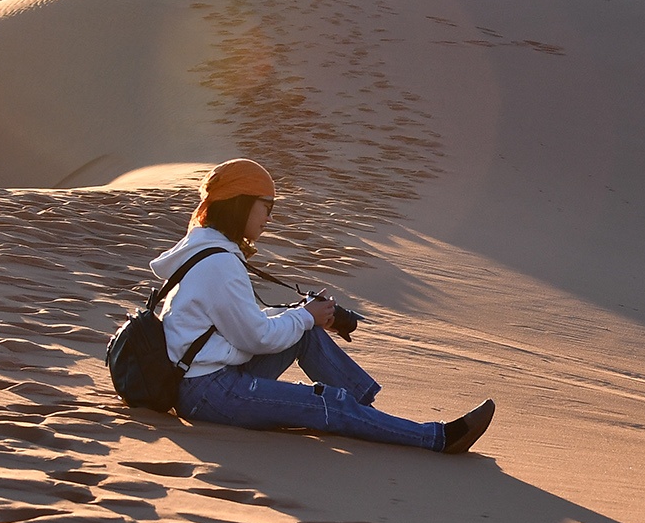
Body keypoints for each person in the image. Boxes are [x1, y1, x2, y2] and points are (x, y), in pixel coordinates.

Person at [151, 158, 494, 453]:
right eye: (265, 207)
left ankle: (365, 415)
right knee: (328, 401)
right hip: (209, 392)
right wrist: (301, 316)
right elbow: (253, 338)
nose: (268, 218)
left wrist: (305, 318)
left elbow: (235, 325)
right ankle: (436, 438)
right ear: (242, 203)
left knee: (307, 335)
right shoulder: (219, 264)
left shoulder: (206, 250)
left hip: (208, 378)